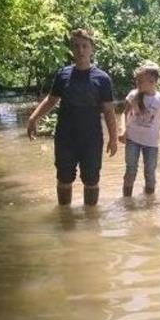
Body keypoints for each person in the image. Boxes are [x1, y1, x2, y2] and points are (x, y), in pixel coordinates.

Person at [26, 28, 118, 206]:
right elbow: (51, 100)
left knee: (91, 180)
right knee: (64, 178)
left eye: (85, 46)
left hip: (91, 139)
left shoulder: (102, 78)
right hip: (65, 137)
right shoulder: (63, 74)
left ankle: (91, 220)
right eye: (76, 46)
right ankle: (64, 217)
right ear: (72, 50)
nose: (81, 50)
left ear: (92, 49)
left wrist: (113, 138)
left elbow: (108, 111)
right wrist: (33, 118)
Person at [119, 62, 160, 197]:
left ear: (153, 81)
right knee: (130, 170)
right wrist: (122, 130)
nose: (137, 82)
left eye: (140, 80)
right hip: (132, 139)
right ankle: (126, 202)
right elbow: (124, 114)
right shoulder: (133, 95)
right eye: (137, 80)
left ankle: (149, 204)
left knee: (150, 172)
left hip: (151, 143)